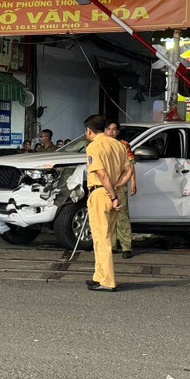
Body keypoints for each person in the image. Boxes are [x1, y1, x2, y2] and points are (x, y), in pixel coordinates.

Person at [83, 114, 133, 292]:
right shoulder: (118, 144)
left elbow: (102, 174)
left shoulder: (93, 147)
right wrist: (117, 188)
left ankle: (107, 281)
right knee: (103, 237)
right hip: (114, 193)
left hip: (100, 194)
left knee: (101, 239)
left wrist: (111, 194)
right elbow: (129, 170)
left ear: (89, 130)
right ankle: (99, 276)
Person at [105, 121, 137, 259]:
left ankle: (126, 246)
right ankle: (111, 246)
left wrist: (133, 182)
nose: (111, 132)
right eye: (108, 129)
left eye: (114, 129)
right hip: (105, 186)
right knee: (108, 216)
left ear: (118, 132)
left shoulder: (124, 145)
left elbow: (130, 166)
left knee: (122, 215)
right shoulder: (100, 145)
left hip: (120, 184)